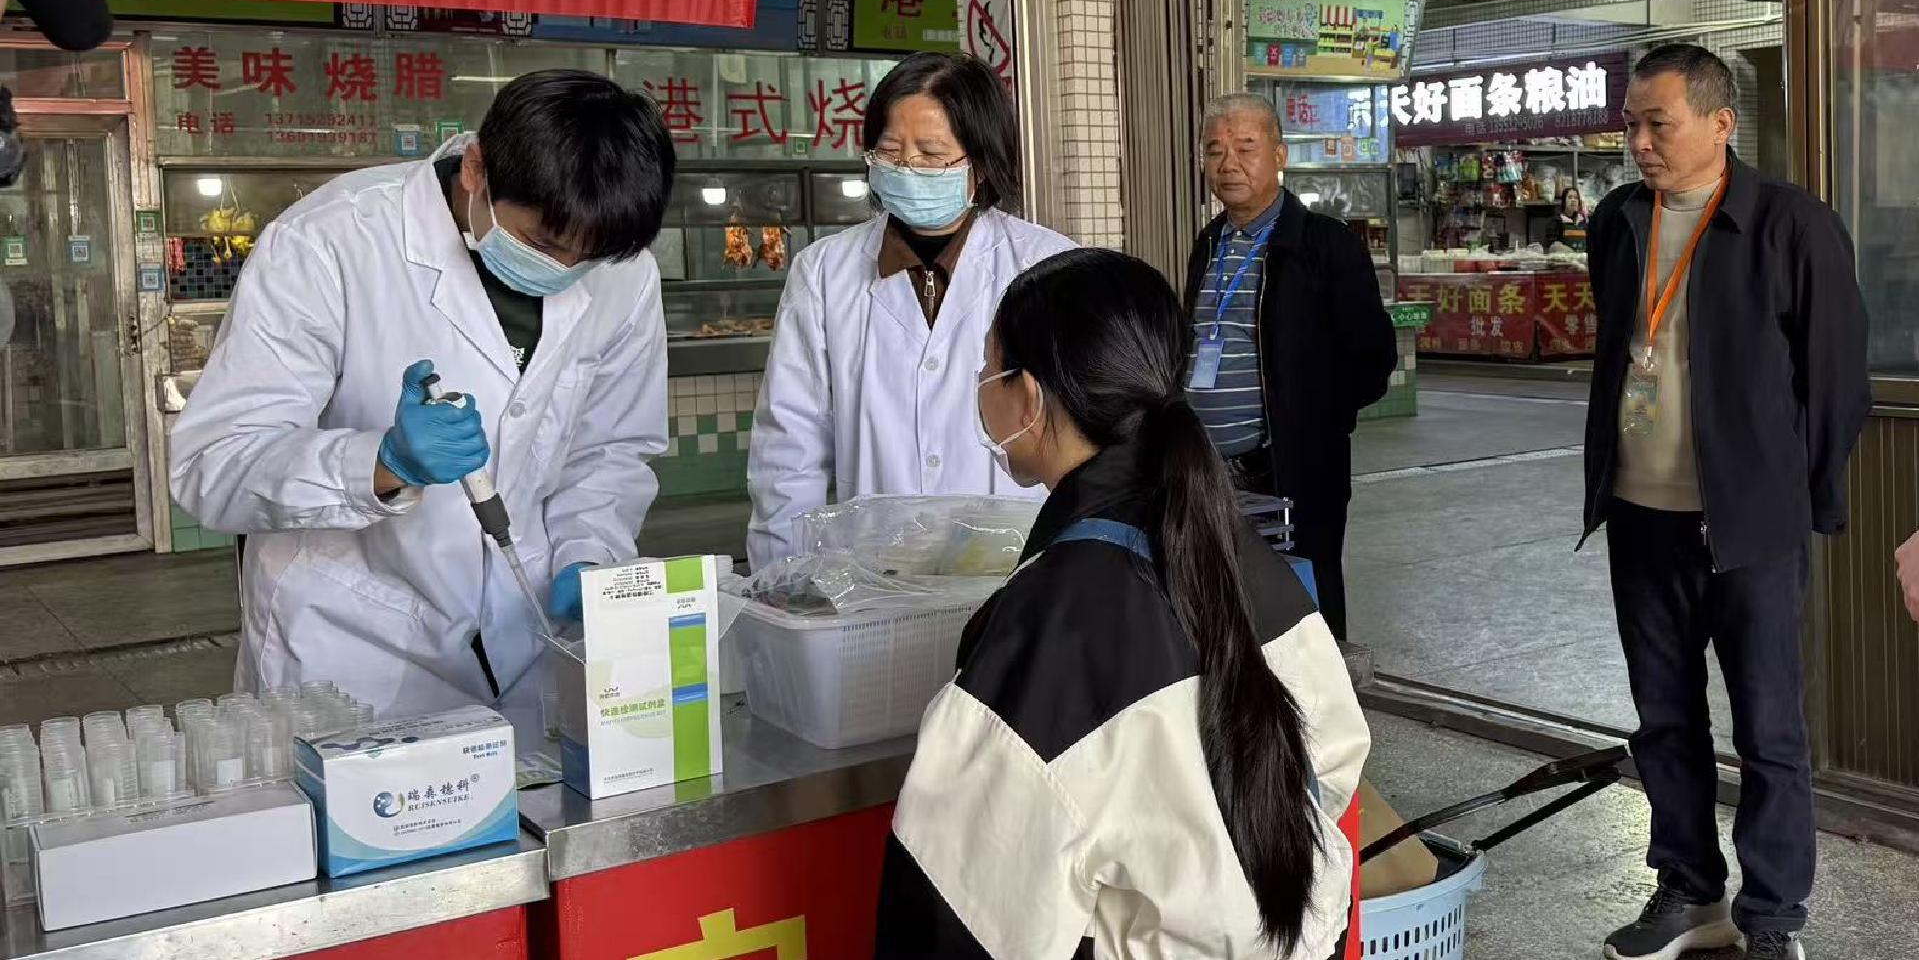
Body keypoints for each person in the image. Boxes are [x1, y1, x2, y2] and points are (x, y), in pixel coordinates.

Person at [875, 247, 1367, 958]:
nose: (981, 388)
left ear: (1030, 397)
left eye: (989, 369)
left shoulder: (1053, 620)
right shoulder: (1230, 545)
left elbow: (956, 902)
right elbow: (1331, 764)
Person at [170, 70, 675, 742]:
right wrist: (381, 464)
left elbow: (610, 448)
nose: (564, 270)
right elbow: (213, 464)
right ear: (476, 169)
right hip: (352, 650)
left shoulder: (622, 271)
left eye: (588, 259)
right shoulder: (330, 241)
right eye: (544, 246)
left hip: (527, 639)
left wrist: (588, 551)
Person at [1582, 44, 1869, 960]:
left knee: (1768, 727)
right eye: (1630, 124)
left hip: (1749, 525)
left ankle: (1772, 915)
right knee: (1662, 716)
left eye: (1656, 124)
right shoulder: (1617, 221)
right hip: (1640, 513)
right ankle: (1687, 889)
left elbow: (1835, 383)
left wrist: (1790, 493)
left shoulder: (1788, 223)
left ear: (1719, 123)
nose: (1638, 142)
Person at [746, 52, 1074, 570]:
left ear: (981, 162)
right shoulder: (824, 272)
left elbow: (1081, 433)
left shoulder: (1047, 265)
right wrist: (785, 575)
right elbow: (789, 448)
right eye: (891, 151)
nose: (906, 168)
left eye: (931, 154)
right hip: (871, 573)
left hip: (1020, 571)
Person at [1182, 93, 1396, 641]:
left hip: (1292, 469)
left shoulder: (1324, 244)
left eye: (1245, 147)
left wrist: (1312, 421)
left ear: (1279, 155)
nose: (1228, 163)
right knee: (1227, 605)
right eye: (1215, 150)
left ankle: (1323, 698)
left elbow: (1374, 359)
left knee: (1304, 607)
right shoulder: (1209, 244)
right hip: (1210, 471)